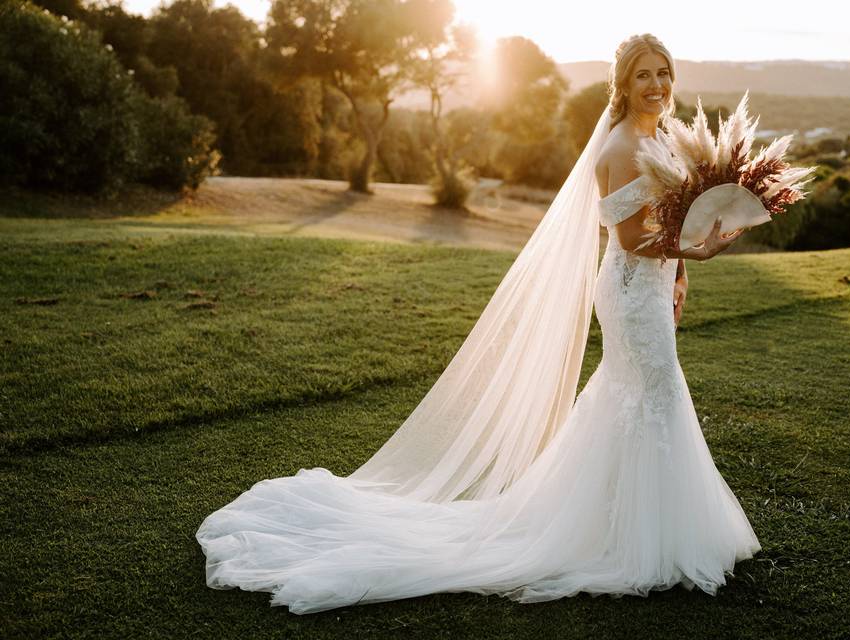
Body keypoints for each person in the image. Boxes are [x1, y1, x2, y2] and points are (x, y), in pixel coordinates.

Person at [195, 33, 762, 615]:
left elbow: (665, 218)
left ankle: (634, 523)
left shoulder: (662, 135)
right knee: (655, 393)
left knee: (636, 395)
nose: (657, 85)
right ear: (623, 83)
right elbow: (626, 239)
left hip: (653, 286)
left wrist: (680, 275)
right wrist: (695, 254)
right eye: (644, 74)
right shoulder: (618, 146)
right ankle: (643, 538)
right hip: (627, 293)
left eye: (664, 73)